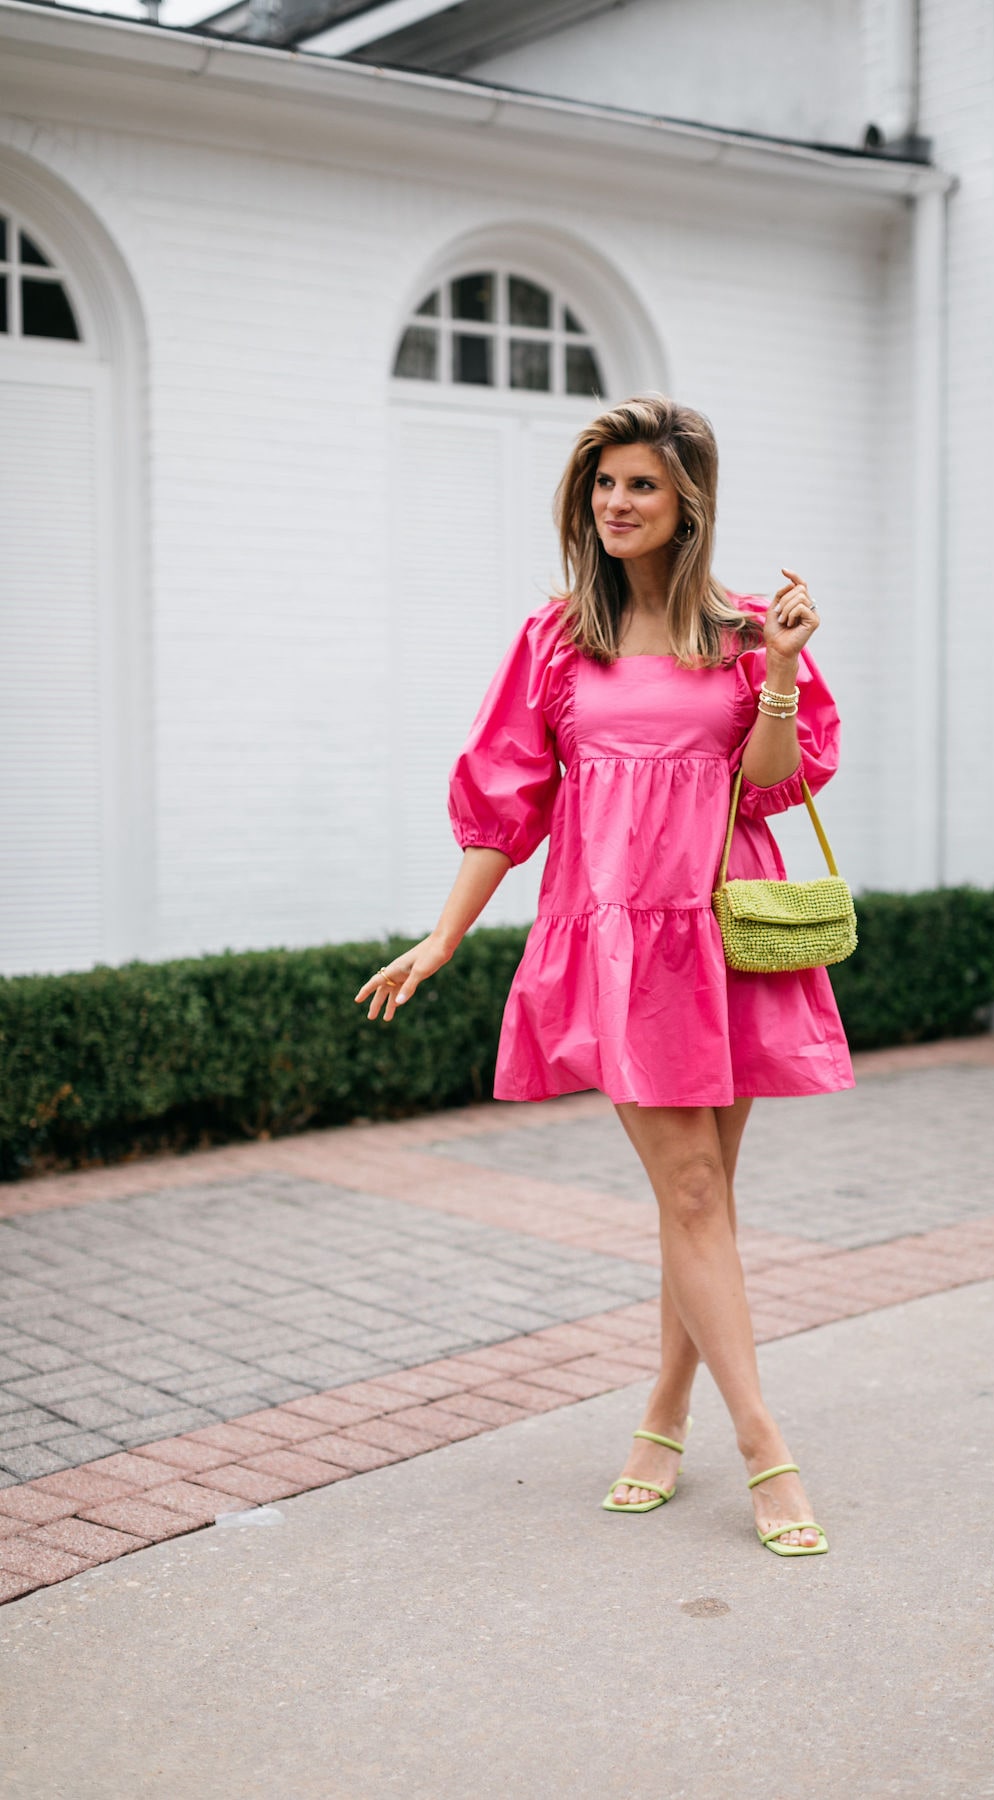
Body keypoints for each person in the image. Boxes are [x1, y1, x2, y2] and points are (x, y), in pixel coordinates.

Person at [356, 395, 854, 1557]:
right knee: (689, 1193)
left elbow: (775, 779)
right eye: (604, 485)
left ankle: (661, 1418)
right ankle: (765, 1450)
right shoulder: (554, 639)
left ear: (688, 504)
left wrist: (779, 667)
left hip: (722, 932)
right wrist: (444, 935)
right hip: (617, 938)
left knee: (704, 1204)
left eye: (641, 486)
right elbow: (505, 804)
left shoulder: (741, 631)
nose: (617, 505)